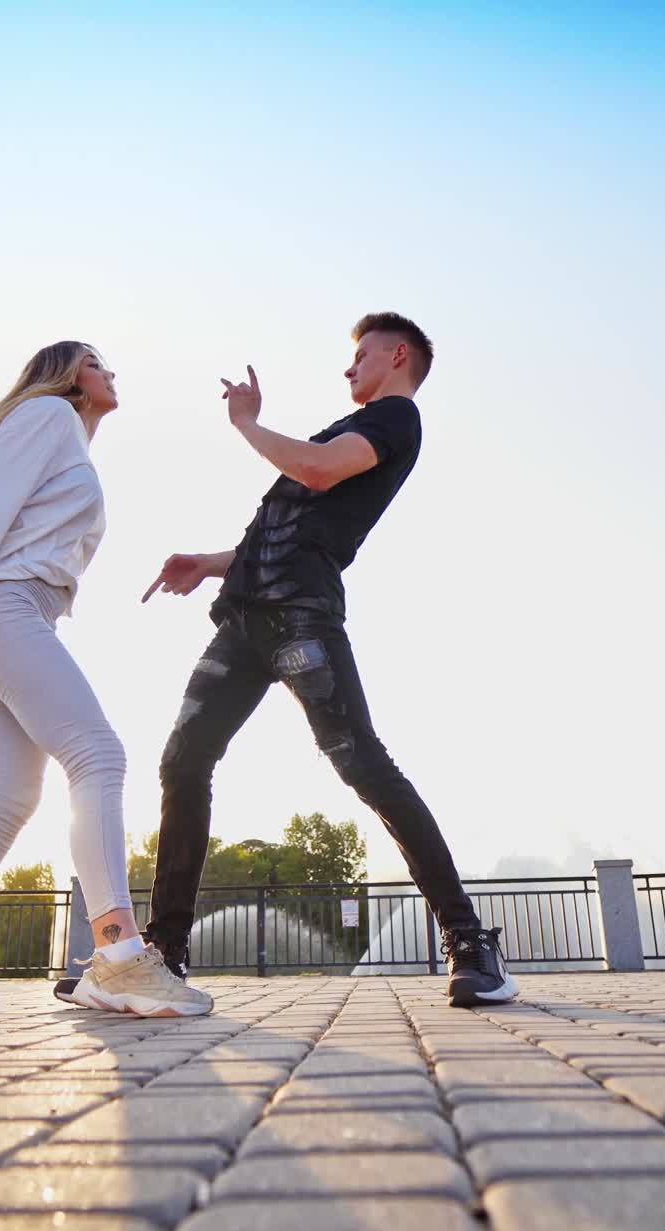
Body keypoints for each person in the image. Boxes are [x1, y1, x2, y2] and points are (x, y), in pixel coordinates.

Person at [141, 313, 518, 1007]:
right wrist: (213, 562)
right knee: (183, 762)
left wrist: (248, 425)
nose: (348, 370)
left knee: (361, 762)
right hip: (244, 623)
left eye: (360, 356)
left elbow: (315, 475)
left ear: (397, 355)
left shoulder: (395, 420)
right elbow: (298, 526)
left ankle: (469, 942)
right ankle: (162, 954)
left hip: (301, 620)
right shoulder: (349, 430)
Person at [0, 340, 212, 1018]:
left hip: (8, 616)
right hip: (4, 607)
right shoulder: (48, 416)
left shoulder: (66, 440)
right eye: (98, 361)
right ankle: (117, 958)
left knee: (8, 802)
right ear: (68, 375)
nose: (111, 372)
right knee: (98, 756)